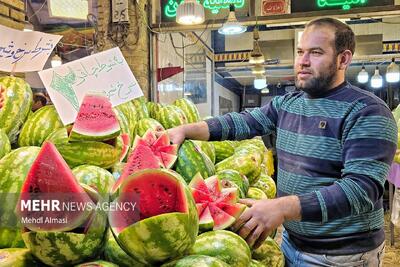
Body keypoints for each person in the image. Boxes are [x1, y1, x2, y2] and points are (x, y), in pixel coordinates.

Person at [166, 17, 397, 266]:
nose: (303, 61)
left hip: (341, 256)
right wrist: (185, 129)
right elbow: (242, 122)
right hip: (291, 242)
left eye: (316, 52)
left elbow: (361, 190)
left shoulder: (367, 111)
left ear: (343, 59)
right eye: (300, 52)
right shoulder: (288, 103)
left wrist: (281, 208)